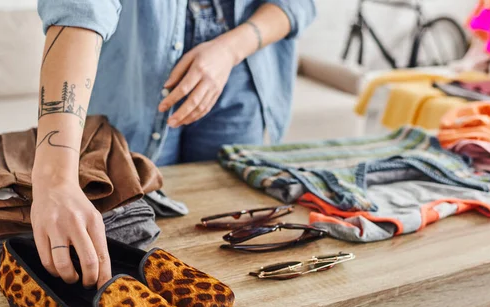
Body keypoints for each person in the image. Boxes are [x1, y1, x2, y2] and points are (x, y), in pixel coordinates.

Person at [31, 0, 316, 289]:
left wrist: (230, 48)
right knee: (128, 230)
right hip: (134, 72)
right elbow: (81, 9)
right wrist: (55, 177)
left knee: (234, 245)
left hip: (244, 67)